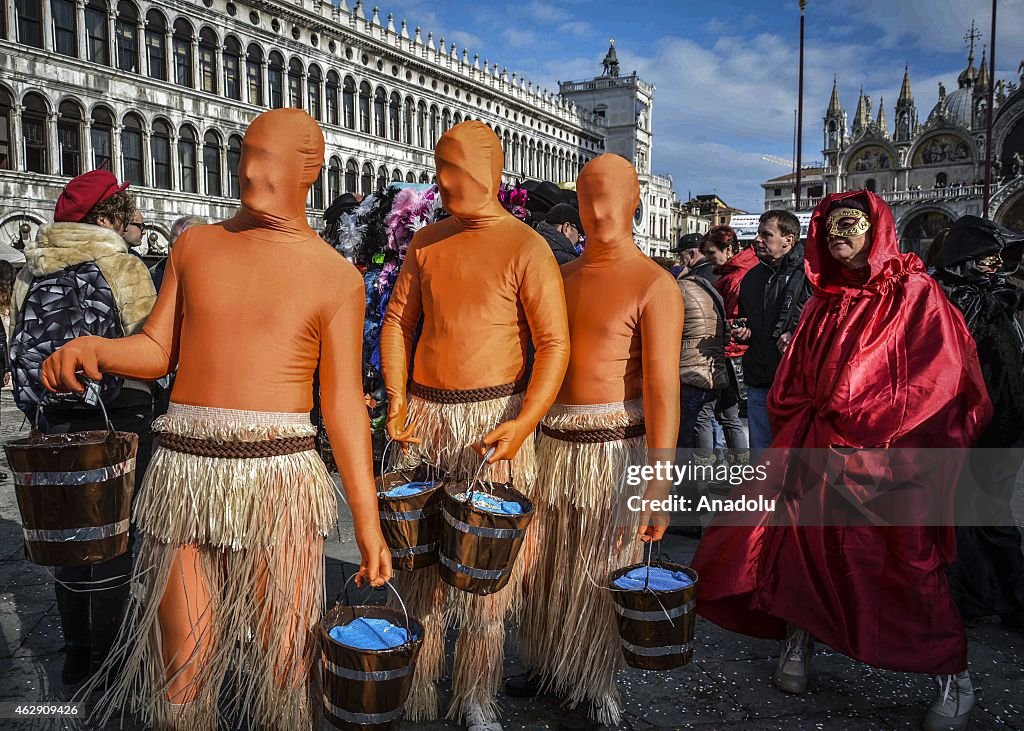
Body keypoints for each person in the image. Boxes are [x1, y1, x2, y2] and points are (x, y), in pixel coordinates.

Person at [42, 109, 390, 730]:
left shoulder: (336, 278)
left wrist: (368, 521)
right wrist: (97, 347)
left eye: (271, 157)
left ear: (308, 172)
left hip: (278, 483)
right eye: (247, 151)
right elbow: (157, 349)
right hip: (185, 476)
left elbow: (341, 407)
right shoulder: (195, 245)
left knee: (283, 666)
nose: (252, 167)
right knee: (183, 663)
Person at [693, 191, 992, 731]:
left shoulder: (914, 294)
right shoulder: (824, 300)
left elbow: (939, 377)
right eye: (829, 228)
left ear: (874, 229)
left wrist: (867, 416)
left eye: (849, 225)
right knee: (798, 548)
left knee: (903, 563)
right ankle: (797, 643)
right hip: (816, 448)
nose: (838, 236)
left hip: (885, 457)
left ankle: (953, 675)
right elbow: (794, 379)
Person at [380, 121, 569, 731]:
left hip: (496, 422)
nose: (439, 180)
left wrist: (523, 424)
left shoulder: (526, 246)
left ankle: (476, 693)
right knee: (422, 561)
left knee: (485, 570)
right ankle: (425, 679)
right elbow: (397, 325)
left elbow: (553, 344)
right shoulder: (427, 243)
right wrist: (396, 400)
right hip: (427, 419)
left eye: (450, 168)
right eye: (438, 166)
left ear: (487, 171)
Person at [515, 154, 682, 729]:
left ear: (635, 201)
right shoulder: (558, 278)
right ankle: (547, 661)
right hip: (552, 447)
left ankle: (595, 677)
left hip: (615, 452)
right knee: (545, 565)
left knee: (604, 563)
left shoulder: (656, 285)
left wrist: (658, 482)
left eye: (609, 196)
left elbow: (663, 389)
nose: (597, 209)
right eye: (586, 197)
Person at [8, 170, 158, 686]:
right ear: (106, 217)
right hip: (120, 421)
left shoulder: (32, 270)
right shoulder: (123, 266)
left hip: (53, 421)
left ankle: (76, 652)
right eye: (126, 212)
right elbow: (150, 350)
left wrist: (43, 413)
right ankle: (111, 656)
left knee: (69, 536)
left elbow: (19, 353)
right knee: (114, 537)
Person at [933, 215, 1024, 629]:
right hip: (967, 421)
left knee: (986, 507)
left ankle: (996, 594)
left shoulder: (999, 296)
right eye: (986, 255)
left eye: (997, 255)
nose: (995, 262)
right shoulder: (950, 298)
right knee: (971, 509)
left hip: (1004, 420)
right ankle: (984, 595)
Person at [731, 210, 810, 451]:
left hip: (795, 384)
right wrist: (743, 331)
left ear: (789, 239)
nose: (757, 239)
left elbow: (822, 321)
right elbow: (746, 319)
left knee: (793, 452)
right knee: (761, 452)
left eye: (766, 235)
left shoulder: (810, 274)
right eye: (758, 233)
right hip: (759, 379)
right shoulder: (752, 278)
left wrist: (795, 333)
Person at [150, 215, 207, 291]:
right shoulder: (151, 277)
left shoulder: (214, 276)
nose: (173, 241)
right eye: (171, 243)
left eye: (182, 243)